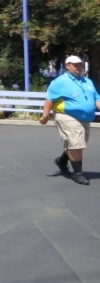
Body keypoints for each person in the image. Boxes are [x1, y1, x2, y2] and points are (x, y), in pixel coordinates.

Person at [40, 55, 100, 185]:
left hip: (85, 118)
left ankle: (61, 161)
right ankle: (78, 174)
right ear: (67, 66)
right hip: (67, 116)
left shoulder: (87, 81)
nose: (78, 67)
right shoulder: (59, 82)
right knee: (76, 144)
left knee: (77, 144)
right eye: (75, 65)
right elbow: (49, 100)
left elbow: (97, 98)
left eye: (80, 65)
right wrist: (45, 116)